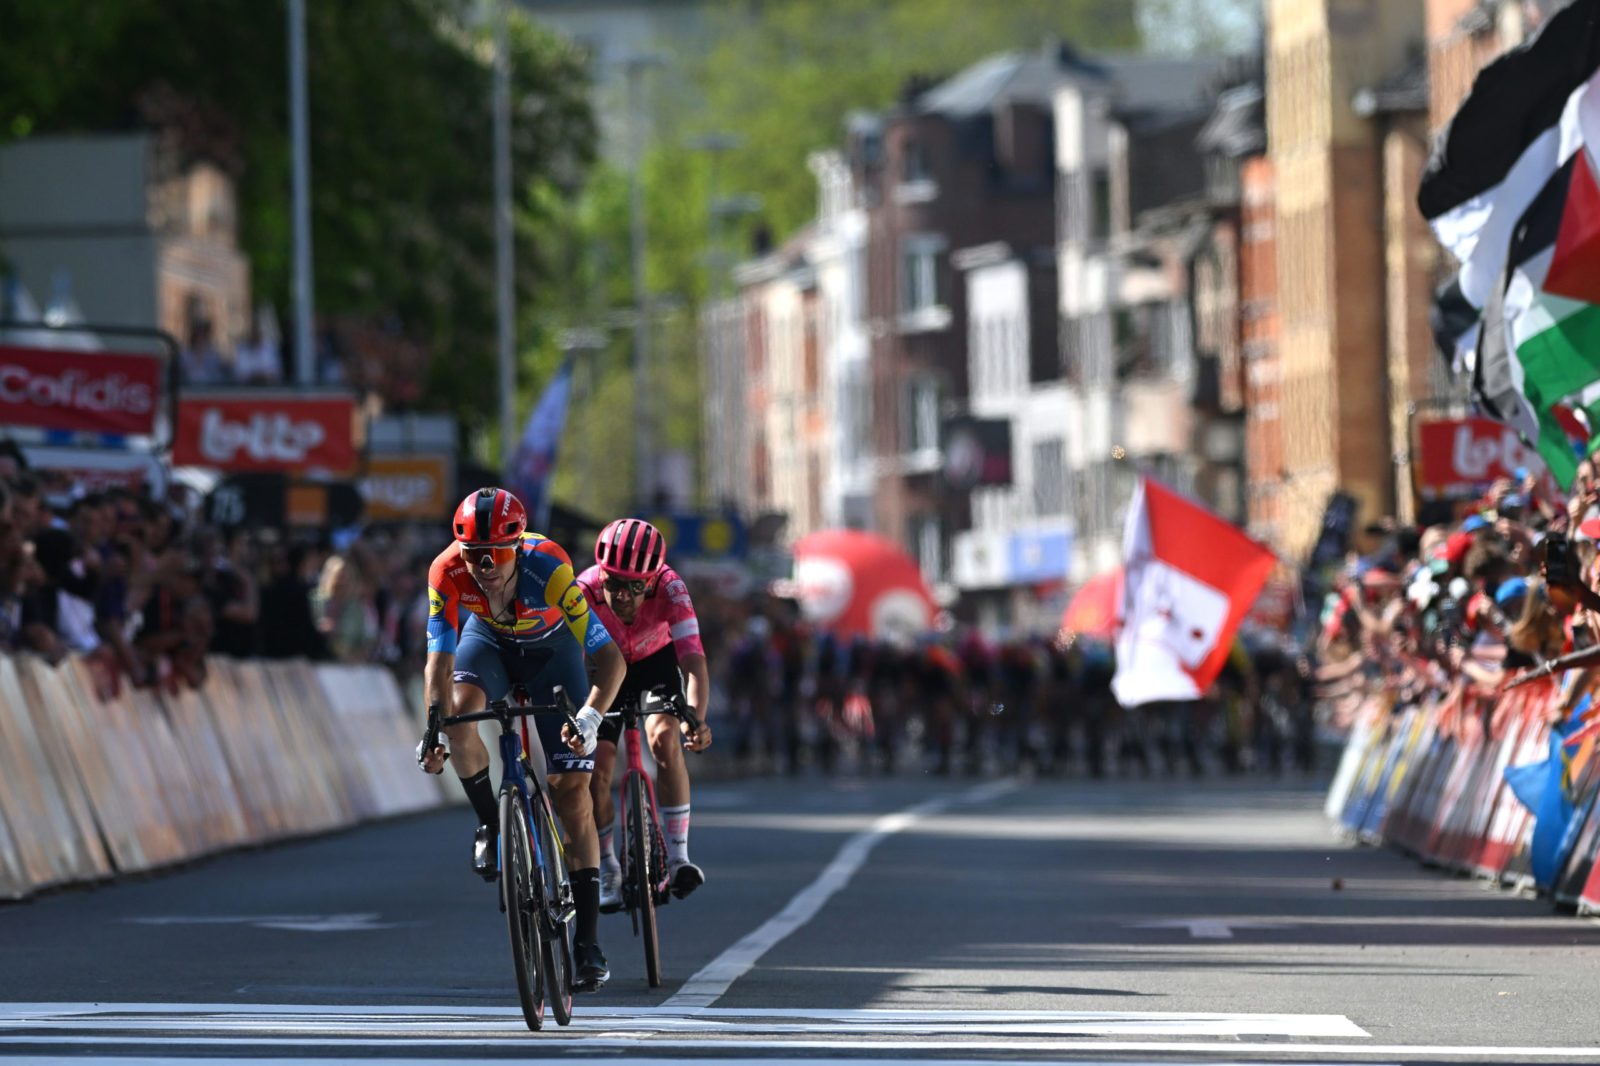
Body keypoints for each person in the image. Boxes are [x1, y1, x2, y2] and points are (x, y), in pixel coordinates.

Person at [415, 488, 625, 993]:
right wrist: (433, 726)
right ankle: (492, 823)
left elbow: (610, 659)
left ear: (516, 546)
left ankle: (588, 943)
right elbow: (439, 661)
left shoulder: (549, 567)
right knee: (458, 718)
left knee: (570, 792)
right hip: (488, 643)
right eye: (474, 554)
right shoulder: (445, 571)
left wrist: (590, 718)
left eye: (496, 554)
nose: (485, 566)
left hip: (554, 652)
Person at [575, 518, 713, 912]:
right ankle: (607, 865)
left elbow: (693, 659)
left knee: (665, 739)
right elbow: (564, 659)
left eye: (636, 587)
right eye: (614, 583)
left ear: (652, 581)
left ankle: (679, 858)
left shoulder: (671, 588)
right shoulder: (582, 590)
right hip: (604, 668)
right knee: (598, 766)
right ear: (601, 574)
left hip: (656, 660)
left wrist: (696, 718)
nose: (623, 595)